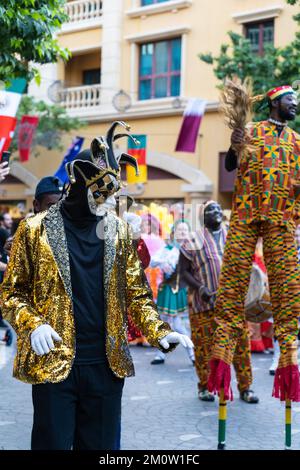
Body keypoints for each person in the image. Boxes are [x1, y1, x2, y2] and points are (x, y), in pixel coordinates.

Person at [1, 121, 193, 450]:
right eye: (98, 192)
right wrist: (33, 325)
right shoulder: (34, 229)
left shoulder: (117, 231)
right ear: (77, 185)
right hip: (53, 364)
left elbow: (137, 294)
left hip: (106, 367)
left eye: (109, 194)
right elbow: (11, 293)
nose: (104, 201)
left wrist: (160, 331)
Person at [208, 86, 300, 402]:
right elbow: (231, 167)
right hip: (246, 216)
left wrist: (295, 210)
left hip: (281, 221)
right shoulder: (251, 131)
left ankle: (288, 359)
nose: (295, 104)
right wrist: (234, 146)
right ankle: (221, 362)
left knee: (289, 292)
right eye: (290, 100)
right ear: (275, 103)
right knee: (231, 288)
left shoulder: (297, 141)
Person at [180, 201, 259, 403]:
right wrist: (200, 288)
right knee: (204, 348)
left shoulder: (235, 236)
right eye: (209, 210)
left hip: (234, 304)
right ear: (202, 217)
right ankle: (204, 387)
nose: (214, 212)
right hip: (203, 304)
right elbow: (183, 271)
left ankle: (245, 387)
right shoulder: (192, 239)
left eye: (217, 208)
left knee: (241, 345)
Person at [150, 220, 195, 365]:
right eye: (179, 230)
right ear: (174, 233)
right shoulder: (167, 249)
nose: (182, 232)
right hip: (167, 290)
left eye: (185, 230)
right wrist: (162, 264)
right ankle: (165, 354)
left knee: (174, 323)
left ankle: (190, 353)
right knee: (167, 322)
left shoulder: (191, 250)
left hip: (180, 289)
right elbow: (152, 262)